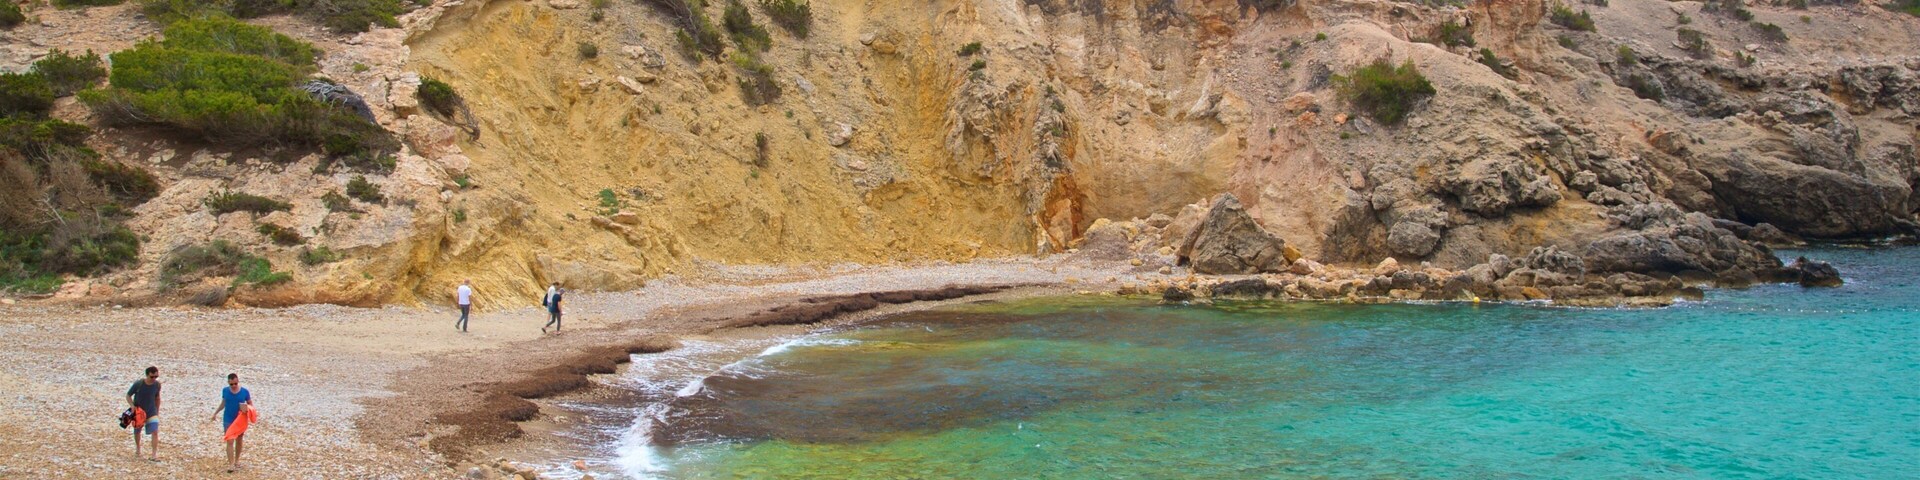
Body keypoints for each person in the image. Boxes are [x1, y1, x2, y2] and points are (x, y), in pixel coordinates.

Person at [210, 373, 253, 473]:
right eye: (232, 384)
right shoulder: (225, 391)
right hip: (228, 418)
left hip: (240, 419)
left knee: (239, 439)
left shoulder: (244, 392)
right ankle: (231, 464)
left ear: (238, 382)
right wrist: (215, 413)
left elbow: (250, 403)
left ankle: (237, 460)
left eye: (235, 383)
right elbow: (223, 403)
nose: (234, 386)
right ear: (228, 382)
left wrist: (249, 410)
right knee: (229, 440)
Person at [126, 366, 162, 462]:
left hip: (151, 412)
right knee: (137, 431)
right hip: (139, 412)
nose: (154, 379)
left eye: (156, 377)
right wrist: (132, 406)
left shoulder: (157, 385)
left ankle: (154, 455)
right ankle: (138, 449)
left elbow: (157, 398)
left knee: (155, 432)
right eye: (152, 377)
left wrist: (157, 411)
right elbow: (128, 395)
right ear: (147, 375)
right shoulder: (139, 384)